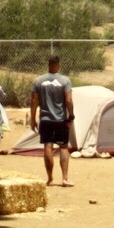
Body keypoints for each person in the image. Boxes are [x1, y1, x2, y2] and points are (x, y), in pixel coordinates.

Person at [29, 56, 75, 187]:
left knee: (47, 147)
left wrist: (32, 119)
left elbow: (33, 101)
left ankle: (50, 178)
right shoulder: (65, 80)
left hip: (45, 119)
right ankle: (65, 178)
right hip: (60, 119)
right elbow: (68, 100)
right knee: (64, 147)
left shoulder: (38, 81)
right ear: (58, 65)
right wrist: (71, 115)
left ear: (48, 64)